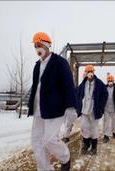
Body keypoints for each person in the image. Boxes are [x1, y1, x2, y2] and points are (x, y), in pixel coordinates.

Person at [27, 32, 77, 171]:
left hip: (55, 108)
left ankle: (65, 158)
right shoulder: (37, 65)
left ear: (47, 44)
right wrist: (31, 104)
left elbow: (68, 85)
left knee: (49, 140)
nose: (38, 48)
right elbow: (36, 87)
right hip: (39, 109)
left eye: (40, 45)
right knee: (37, 142)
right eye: (36, 46)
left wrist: (71, 106)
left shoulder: (60, 63)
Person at [76, 65, 108, 155]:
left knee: (94, 129)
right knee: (84, 127)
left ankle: (94, 147)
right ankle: (86, 145)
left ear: (93, 73)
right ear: (86, 73)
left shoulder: (99, 83)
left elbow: (105, 95)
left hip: (94, 111)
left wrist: (101, 107)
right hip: (84, 110)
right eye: (88, 72)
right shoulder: (83, 84)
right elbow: (77, 94)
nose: (90, 73)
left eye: (91, 72)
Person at [62, 72, 87, 143]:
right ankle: (68, 129)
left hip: (72, 109)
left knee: (68, 123)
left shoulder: (76, 90)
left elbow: (82, 87)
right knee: (65, 122)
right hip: (64, 108)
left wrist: (85, 79)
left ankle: (66, 137)